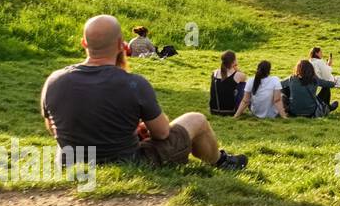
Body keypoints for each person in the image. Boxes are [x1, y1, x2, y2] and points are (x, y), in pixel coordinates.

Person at [41, 15, 246, 170]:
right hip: (128, 161)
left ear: (84, 43)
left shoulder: (54, 80)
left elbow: (53, 128)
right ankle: (221, 161)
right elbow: (162, 133)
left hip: (71, 162)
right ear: (121, 44)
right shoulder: (134, 83)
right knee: (197, 119)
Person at [209, 50, 247, 116]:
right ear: (234, 61)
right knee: (243, 85)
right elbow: (244, 78)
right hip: (230, 111)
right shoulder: (238, 75)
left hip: (214, 110)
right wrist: (236, 68)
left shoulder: (214, 72)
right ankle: (239, 109)